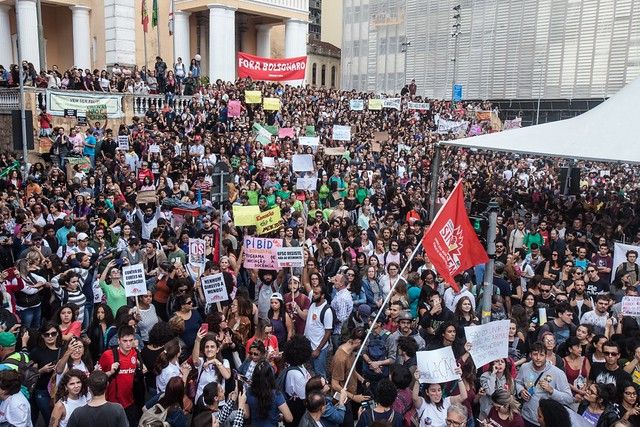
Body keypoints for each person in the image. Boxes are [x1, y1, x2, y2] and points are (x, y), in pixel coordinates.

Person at [515, 341, 574, 426]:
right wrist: (521, 391)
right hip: (526, 417)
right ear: (530, 355)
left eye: (541, 355)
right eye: (535, 354)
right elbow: (517, 382)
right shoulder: (524, 367)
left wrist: (552, 391)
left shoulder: (558, 373)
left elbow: (569, 398)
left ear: (546, 356)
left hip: (546, 422)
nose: (538, 358)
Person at [98, 325, 141, 426]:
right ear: (118, 341)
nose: (128, 344)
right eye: (125, 341)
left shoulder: (135, 354)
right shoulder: (108, 355)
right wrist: (110, 372)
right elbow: (97, 378)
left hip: (130, 403)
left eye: (131, 340)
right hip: (111, 403)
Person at [246, 360, 293, 426]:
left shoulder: (249, 392)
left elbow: (246, 415)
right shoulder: (276, 394)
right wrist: (279, 417)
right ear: (271, 376)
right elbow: (289, 418)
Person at [304, 282, 333, 378]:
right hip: (310, 346)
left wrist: (318, 349)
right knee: (312, 372)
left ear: (323, 295)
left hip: (319, 348)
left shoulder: (327, 311)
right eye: (313, 292)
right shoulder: (312, 305)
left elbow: (328, 332)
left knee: (320, 375)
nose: (313, 295)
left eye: (316, 293)